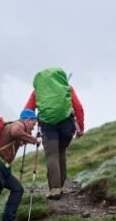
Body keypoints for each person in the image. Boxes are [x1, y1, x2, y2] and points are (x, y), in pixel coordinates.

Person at [24, 67, 86, 200]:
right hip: (67, 125)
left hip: (47, 126)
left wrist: (25, 129)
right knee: (61, 152)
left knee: (52, 155)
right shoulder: (67, 88)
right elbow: (78, 108)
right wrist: (80, 127)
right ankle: (61, 185)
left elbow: (28, 110)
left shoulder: (38, 91)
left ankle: (55, 189)